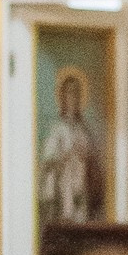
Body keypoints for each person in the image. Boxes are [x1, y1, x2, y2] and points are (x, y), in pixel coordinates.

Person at [40, 67, 108, 226]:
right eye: (70, 93)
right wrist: (65, 156)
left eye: (77, 93)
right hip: (64, 188)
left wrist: (87, 157)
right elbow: (47, 163)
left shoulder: (84, 129)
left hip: (83, 186)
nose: (74, 97)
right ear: (63, 97)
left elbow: (94, 160)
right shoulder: (57, 129)